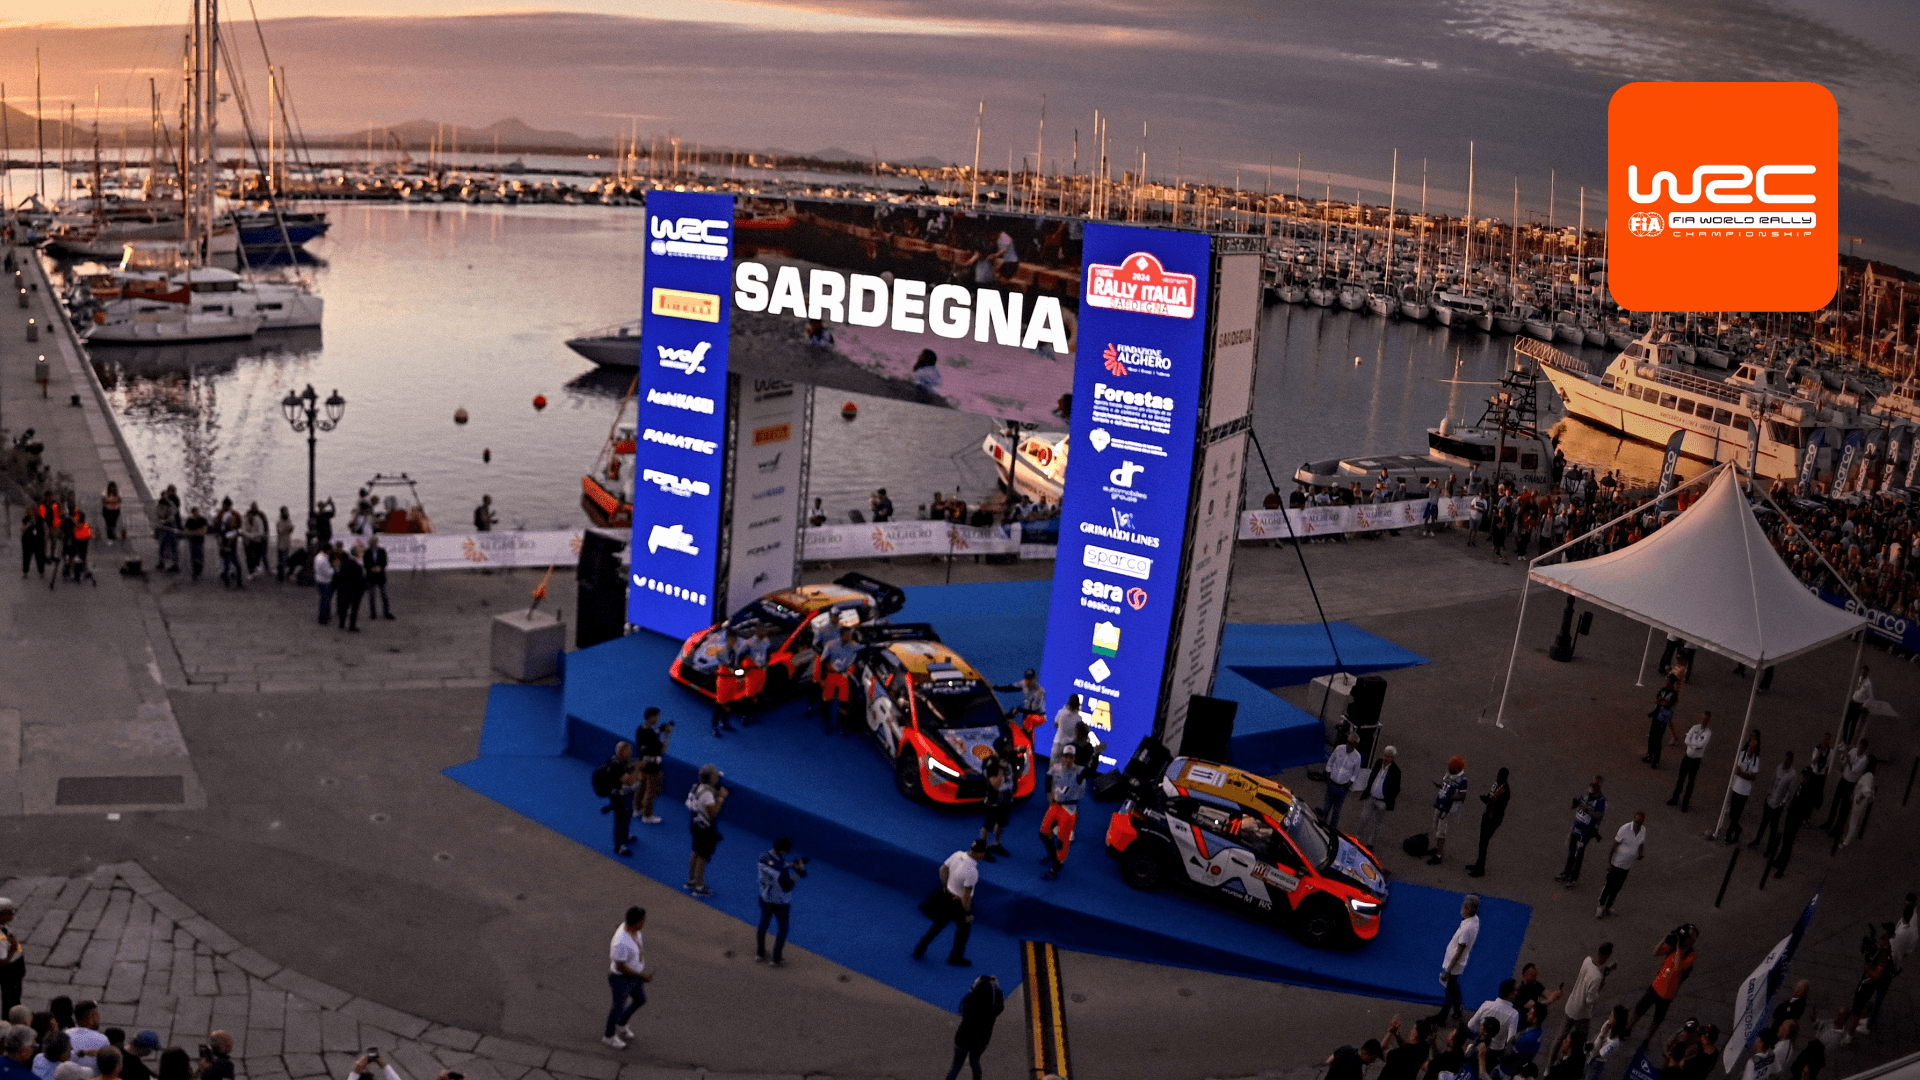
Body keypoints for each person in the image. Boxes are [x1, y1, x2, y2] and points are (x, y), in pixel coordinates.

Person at [915, 839, 985, 967]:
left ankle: (920, 947)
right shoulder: (972, 872)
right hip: (958, 903)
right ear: (979, 853)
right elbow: (966, 896)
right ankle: (956, 956)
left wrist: (946, 886)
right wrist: (968, 913)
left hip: (947, 897)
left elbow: (943, 869)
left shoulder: (957, 854)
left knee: (938, 925)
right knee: (964, 929)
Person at [1624, 925, 1698, 1040]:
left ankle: (1646, 1040)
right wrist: (1665, 938)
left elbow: (1677, 969)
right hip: (1655, 986)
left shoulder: (1690, 955)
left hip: (1667, 995)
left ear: (1691, 940)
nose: (1683, 939)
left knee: (1657, 1019)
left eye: (1687, 937)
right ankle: (1628, 1029)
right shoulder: (1674, 946)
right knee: (1639, 1009)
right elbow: (1656, 952)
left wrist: (1678, 948)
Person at [1555, 943, 1615, 1065]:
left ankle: (1548, 1067)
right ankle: (1571, 1061)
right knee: (1581, 1040)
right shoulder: (1597, 977)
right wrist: (1600, 988)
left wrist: (1606, 970)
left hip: (1571, 1005)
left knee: (1560, 1036)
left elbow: (1592, 973)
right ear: (1608, 956)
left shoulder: (1587, 960)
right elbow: (1590, 1000)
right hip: (1582, 1013)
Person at [1427, 895, 1480, 1029]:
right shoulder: (1475, 921)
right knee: (1454, 987)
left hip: (1455, 965)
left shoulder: (1467, 929)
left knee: (1449, 992)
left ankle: (1442, 1018)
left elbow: (1459, 952)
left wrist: (1448, 971)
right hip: (1459, 964)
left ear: (1467, 909)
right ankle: (1457, 1010)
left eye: (1464, 906)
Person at [1040, 745, 1090, 880]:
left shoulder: (1078, 772)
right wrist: (1049, 792)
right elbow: (1048, 777)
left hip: (1068, 810)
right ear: (1062, 757)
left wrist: (1096, 755)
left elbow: (1090, 770)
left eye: (1070, 757)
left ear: (1074, 758)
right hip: (1056, 805)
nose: (1068, 759)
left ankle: (1056, 868)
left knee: (1062, 842)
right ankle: (1052, 856)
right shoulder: (1057, 767)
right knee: (1044, 832)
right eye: (1066, 756)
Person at [603, 906, 650, 1049]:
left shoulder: (634, 931)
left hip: (633, 977)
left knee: (640, 999)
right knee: (618, 1007)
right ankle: (609, 1036)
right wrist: (641, 976)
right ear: (636, 922)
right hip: (621, 979)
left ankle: (622, 1023)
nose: (644, 923)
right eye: (643, 921)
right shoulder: (621, 943)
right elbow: (620, 967)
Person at [755, 837, 805, 967]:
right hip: (781, 902)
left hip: (766, 898)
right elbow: (788, 886)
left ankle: (760, 953)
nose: (786, 853)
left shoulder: (763, 857)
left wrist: (791, 865)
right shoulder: (780, 870)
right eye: (786, 851)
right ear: (783, 850)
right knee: (783, 929)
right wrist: (798, 872)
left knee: (763, 925)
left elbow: (775, 865)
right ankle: (776, 959)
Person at [944, 975, 1004, 1080]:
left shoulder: (972, 999)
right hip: (981, 1040)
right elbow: (1000, 1005)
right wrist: (996, 990)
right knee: (975, 1062)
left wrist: (972, 989)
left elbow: (961, 1009)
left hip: (963, 1038)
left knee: (956, 1066)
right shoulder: (993, 1005)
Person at [685, 764, 727, 897]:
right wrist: (721, 799)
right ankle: (699, 886)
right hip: (705, 828)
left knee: (695, 851)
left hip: (695, 823)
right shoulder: (708, 794)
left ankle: (691, 880)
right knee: (702, 857)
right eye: (716, 777)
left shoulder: (696, 787)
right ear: (711, 779)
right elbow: (713, 813)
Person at [1558, 776, 1608, 886]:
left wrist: (1585, 809)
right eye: (1591, 784)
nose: (1591, 787)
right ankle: (1566, 873)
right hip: (1576, 828)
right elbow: (1575, 806)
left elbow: (1598, 816)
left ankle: (1573, 878)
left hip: (1586, 832)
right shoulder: (1585, 794)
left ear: (1599, 787)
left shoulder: (1601, 801)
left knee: (1578, 854)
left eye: (1594, 785)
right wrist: (1574, 803)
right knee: (1571, 851)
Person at [1597, 811, 1647, 918]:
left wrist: (1640, 853)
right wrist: (1609, 862)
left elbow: (1641, 843)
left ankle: (1608, 906)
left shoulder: (1643, 830)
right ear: (1634, 819)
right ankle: (1600, 905)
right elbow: (1613, 845)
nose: (1638, 825)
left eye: (1640, 823)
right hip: (1616, 863)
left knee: (1617, 887)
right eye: (1636, 822)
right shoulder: (1625, 829)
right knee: (1608, 886)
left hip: (1626, 866)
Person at [593, 743, 639, 856]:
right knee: (620, 820)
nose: (631, 753)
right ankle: (619, 847)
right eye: (629, 751)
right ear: (622, 752)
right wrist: (638, 768)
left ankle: (625, 835)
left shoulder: (622, 761)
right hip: (618, 797)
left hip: (626, 794)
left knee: (628, 814)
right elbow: (628, 780)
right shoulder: (616, 765)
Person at [1466, 767, 1512, 877]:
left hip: (1493, 819)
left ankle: (1480, 869)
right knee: (1482, 842)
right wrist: (1486, 799)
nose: (1497, 777)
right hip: (1488, 815)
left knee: (1484, 842)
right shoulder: (1497, 785)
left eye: (1500, 776)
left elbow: (1498, 807)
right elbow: (1490, 796)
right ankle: (1478, 865)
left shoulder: (1505, 791)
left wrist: (1488, 802)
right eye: (1498, 774)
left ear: (1504, 777)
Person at [1752, 752, 1799, 857]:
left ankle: (1770, 848)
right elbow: (1773, 779)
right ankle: (1757, 840)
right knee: (1763, 822)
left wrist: (1782, 803)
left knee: (1773, 828)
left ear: (1791, 762)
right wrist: (1769, 792)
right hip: (1770, 799)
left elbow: (1790, 791)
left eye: (1787, 760)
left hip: (1778, 805)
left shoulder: (1792, 775)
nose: (1785, 762)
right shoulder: (1779, 767)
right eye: (1785, 759)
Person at [814, 625, 859, 735]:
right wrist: (823, 678)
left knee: (844, 703)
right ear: (842, 635)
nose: (850, 637)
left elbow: (853, 662)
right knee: (827, 701)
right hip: (831, 676)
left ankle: (842, 726)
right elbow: (823, 661)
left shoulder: (853, 647)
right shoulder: (831, 645)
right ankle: (827, 723)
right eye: (848, 635)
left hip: (843, 677)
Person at [976, 740, 1017, 859]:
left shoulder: (1008, 759)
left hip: (1007, 796)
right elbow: (995, 784)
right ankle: (983, 847)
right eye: (1006, 747)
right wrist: (1001, 769)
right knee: (988, 824)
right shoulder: (991, 763)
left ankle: (996, 844)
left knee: (1002, 822)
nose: (1009, 749)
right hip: (994, 798)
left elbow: (1015, 775)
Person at [1355, 746, 1402, 849]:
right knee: (1364, 818)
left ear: (1392, 758)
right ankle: (1358, 837)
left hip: (1382, 802)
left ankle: (1371, 843)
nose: (1385, 758)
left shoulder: (1396, 771)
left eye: (1388, 756)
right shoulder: (1378, 763)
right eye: (1385, 755)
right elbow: (1372, 775)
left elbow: (1396, 788)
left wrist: (1388, 800)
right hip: (1371, 797)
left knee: (1377, 823)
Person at [631, 708, 671, 824]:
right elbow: (663, 749)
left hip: (643, 762)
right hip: (653, 766)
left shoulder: (641, 729)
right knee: (652, 790)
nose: (658, 719)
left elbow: (650, 738)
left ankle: (637, 808)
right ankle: (647, 815)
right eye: (657, 716)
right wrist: (667, 735)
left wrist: (659, 731)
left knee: (641, 787)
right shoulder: (651, 734)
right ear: (652, 718)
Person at [1668, 713, 1712, 811]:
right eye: (1703, 718)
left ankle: (1685, 804)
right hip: (1687, 757)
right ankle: (1675, 798)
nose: (1704, 721)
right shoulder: (1695, 727)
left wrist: (1691, 744)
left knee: (1690, 782)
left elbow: (1701, 745)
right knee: (1680, 779)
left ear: (1709, 721)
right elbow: (1686, 740)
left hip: (1696, 760)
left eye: (1706, 720)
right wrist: (1694, 745)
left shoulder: (1708, 733)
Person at [1429, 756, 1469, 866]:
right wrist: (1440, 786)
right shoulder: (1449, 773)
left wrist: (1449, 798)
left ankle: (1438, 855)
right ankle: (1437, 848)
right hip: (1440, 803)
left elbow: (1463, 796)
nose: (1449, 768)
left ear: (1457, 768)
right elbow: (1444, 784)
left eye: (1451, 767)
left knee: (1441, 831)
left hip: (1448, 807)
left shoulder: (1463, 779)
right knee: (1436, 826)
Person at [1724, 732, 1762, 843]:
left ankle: (1729, 834)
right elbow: (1737, 771)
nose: (1751, 749)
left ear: (1755, 749)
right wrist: (1746, 775)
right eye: (1750, 746)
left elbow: (1753, 777)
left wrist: (1743, 774)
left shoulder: (1756, 760)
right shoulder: (1741, 755)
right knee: (1732, 813)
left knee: (1737, 814)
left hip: (1745, 791)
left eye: (1753, 747)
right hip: (1737, 787)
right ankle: (1738, 829)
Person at [1827, 741, 1870, 837]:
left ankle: (1837, 828)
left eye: (1862, 748)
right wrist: (1843, 760)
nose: (1859, 749)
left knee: (1843, 807)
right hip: (1843, 779)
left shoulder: (1863, 760)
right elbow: (1844, 758)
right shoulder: (1854, 751)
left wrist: (1847, 759)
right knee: (1835, 802)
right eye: (1859, 747)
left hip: (1850, 784)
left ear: (1865, 749)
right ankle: (1829, 822)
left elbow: (1854, 769)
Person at [1468, 979, 1523, 1052]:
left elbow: (1471, 1025)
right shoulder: (1513, 1014)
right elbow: (1510, 1040)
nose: (1517, 993)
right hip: (1496, 1051)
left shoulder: (1486, 1004)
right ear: (1511, 993)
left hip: (1479, 1046)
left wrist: (1482, 1033)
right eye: (1516, 990)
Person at [1324, 731, 1363, 830]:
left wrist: (1348, 784)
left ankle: (1332, 829)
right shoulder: (1339, 749)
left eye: (1352, 744)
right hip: (1332, 783)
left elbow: (1355, 774)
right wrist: (1328, 777)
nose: (1349, 745)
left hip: (1342, 788)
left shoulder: (1357, 757)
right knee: (1326, 807)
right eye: (1348, 742)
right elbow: (1330, 762)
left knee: (1336, 811)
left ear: (1356, 745)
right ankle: (1321, 826)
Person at [1837, 759, 1874, 849]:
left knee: (1853, 822)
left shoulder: (1868, 776)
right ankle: (1846, 839)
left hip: (1858, 803)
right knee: (1852, 821)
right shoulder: (1867, 775)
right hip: (1857, 800)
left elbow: (1866, 792)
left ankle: (1846, 842)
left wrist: (1858, 799)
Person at [1645, 676, 1680, 768]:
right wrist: (1662, 702)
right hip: (1656, 716)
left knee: (1658, 739)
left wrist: (1661, 701)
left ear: (1671, 682)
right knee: (1651, 736)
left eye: (1668, 681)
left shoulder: (1674, 694)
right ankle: (1649, 755)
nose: (1666, 682)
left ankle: (1656, 761)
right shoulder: (1663, 690)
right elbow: (1658, 700)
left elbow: (1667, 704)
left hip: (1663, 719)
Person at [333, 542, 365, 632]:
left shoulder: (345, 563)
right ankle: (352, 625)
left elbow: (341, 576)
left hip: (345, 589)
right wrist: (362, 589)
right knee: (354, 609)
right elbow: (360, 579)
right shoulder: (358, 566)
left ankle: (342, 623)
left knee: (344, 607)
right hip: (355, 590)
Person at [363, 536, 392, 619]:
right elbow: (365, 563)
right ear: (370, 542)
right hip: (371, 576)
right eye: (372, 541)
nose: (374, 542)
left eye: (375, 541)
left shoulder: (382, 551)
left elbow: (385, 562)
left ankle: (387, 612)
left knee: (385, 595)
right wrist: (371, 568)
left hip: (380, 576)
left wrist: (380, 567)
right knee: (372, 596)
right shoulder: (367, 551)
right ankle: (373, 613)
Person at [1050, 696, 1085, 762]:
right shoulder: (1078, 718)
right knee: (1060, 764)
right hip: (1066, 745)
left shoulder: (1062, 712)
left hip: (1063, 744)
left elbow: (1056, 725)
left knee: (1055, 764)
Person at [0, 901, 20, 1016]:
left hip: (13, 971)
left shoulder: (3, 926)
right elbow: (2, 962)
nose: (12, 914)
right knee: (11, 1001)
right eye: (10, 912)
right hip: (10, 974)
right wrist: (13, 948)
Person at [1843, 666, 1873, 744]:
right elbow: (1858, 689)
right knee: (1846, 722)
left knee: (1853, 725)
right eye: (1862, 671)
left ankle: (1848, 743)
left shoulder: (1868, 684)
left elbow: (1870, 698)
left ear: (1867, 672)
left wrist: (1863, 706)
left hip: (1858, 705)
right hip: (1853, 701)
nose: (1863, 673)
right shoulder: (1860, 678)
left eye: (1864, 672)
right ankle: (1844, 741)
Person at [154, 489, 180, 572]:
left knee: (173, 547)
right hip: (164, 528)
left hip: (171, 527)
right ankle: (161, 562)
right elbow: (159, 514)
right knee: (162, 546)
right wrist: (161, 521)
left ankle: (175, 565)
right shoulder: (160, 504)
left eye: (165, 495)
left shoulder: (170, 503)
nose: (164, 497)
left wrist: (164, 521)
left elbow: (173, 515)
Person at [241, 503, 267, 578]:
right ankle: (251, 572)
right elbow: (243, 531)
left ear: (253, 516)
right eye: (248, 516)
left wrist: (251, 535)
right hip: (247, 540)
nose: (250, 517)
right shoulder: (245, 520)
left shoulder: (258, 520)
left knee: (258, 554)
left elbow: (261, 532)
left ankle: (256, 567)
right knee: (248, 556)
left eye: (251, 516)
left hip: (257, 540)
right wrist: (252, 535)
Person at [182, 507, 208, 581]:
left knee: (199, 558)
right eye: (196, 512)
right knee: (193, 558)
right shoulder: (189, 521)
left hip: (200, 542)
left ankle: (198, 571)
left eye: (198, 512)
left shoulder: (202, 520)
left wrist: (192, 532)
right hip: (192, 542)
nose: (197, 513)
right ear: (193, 513)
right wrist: (197, 532)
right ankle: (195, 573)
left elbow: (204, 531)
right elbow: (186, 531)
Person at [312, 544, 335, 624]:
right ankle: (323, 617)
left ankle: (324, 616)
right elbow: (327, 572)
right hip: (324, 581)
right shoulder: (323, 560)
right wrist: (334, 569)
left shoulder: (318, 557)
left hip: (320, 579)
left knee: (324, 599)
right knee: (324, 600)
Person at [19, 511, 46, 580]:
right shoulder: (26, 518)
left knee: (39, 557)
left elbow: (44, 528)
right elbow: (22, 528)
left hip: (38, 541)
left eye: (34, 510)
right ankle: (25, 572)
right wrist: (28, 525)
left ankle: (41, 572)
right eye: (31, 510)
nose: (32, 512)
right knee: (26, 557)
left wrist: (44, 538)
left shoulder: (40, 519)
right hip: (27, 540)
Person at [274, 507, 295, 582]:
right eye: (285, 512)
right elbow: (281, 532)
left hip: (287, 542)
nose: (287, 513)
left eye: (287, 511)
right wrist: (288, 529)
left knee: (285, 559)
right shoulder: (279, 522)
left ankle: (283, 575)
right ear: (282, 513)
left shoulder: (288, 520)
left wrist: (289, 530)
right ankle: (280, 577)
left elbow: (290, 529)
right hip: (281, 544)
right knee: (281, 560)